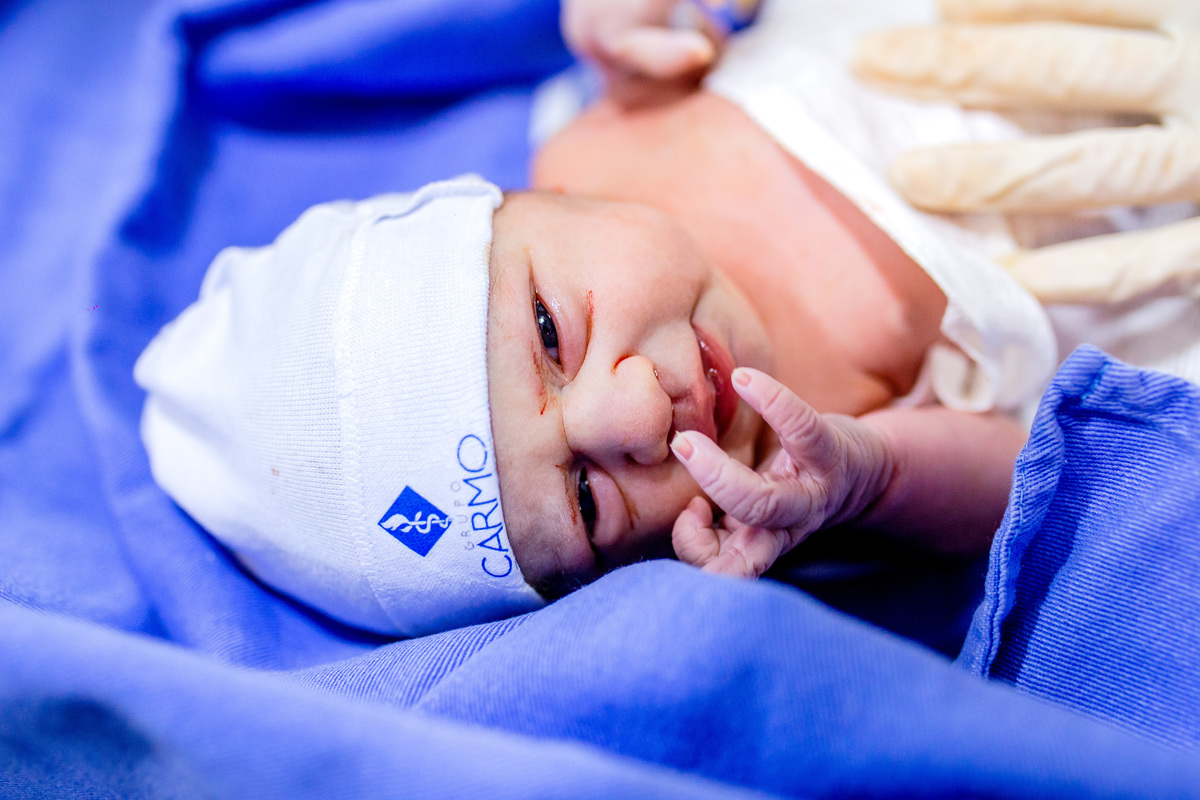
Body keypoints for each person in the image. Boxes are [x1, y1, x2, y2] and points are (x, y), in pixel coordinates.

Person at [132, 0, 1198, 636]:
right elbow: (1016, 473)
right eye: (587, 498)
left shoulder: (612, 118)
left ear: (530, 198)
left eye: (550, 335)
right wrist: (867, 478)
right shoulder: (797, 462)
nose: (637, 413)